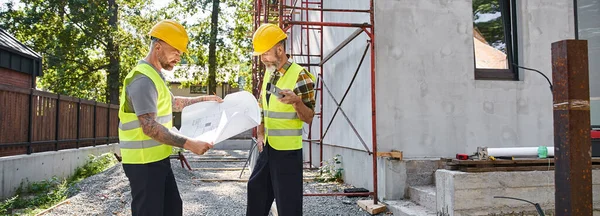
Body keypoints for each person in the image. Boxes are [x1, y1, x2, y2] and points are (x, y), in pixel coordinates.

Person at [118, 20, 222, 216]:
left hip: (157, 159)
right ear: (158, 47)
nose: (179, 56)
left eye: (180, 52)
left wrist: (204, 99)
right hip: (143, 163)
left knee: (173, 209)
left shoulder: (155, 76)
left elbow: (172, 103)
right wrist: (189, 143)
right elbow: (149, 127)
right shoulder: (142, 79)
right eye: (175, 50)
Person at [246, 23, 316, 216]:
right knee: (255, 192)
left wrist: (296, 102)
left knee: (288, 205)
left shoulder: (301, 76)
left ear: (280, 49)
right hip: (268, 147)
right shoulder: (270, 73)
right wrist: (260, 133)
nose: (262, 59)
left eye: (265, 53)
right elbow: (262, 106)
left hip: (288, 153)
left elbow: (309, 117)